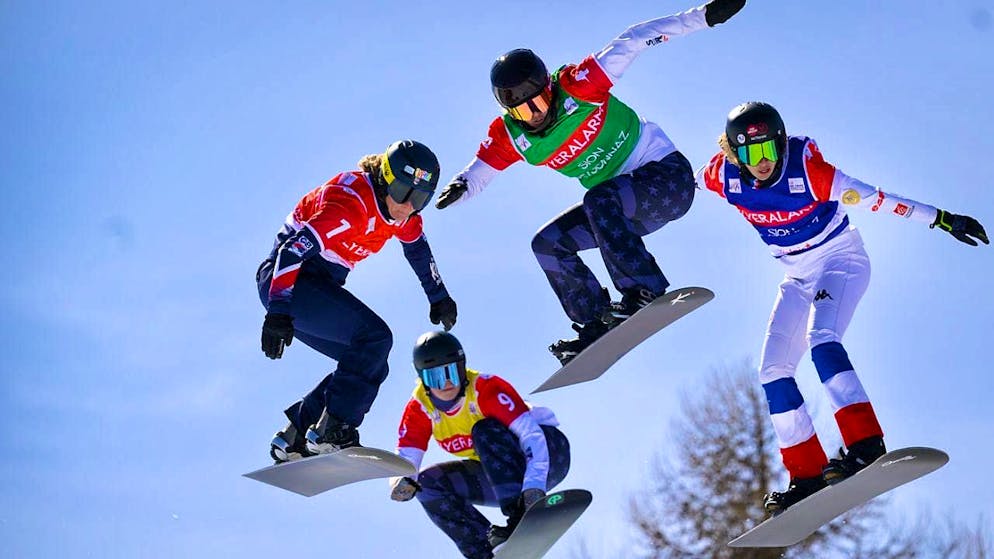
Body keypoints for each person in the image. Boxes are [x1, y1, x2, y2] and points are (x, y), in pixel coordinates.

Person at [699, 101, 988, 514]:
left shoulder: (810, 171)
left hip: (840, 261)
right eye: (751, 153)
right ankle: (806, 475)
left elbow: (879, 200)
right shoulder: (723, 176)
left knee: (821, 341)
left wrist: (942, 219)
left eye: (768, 150)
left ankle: (865, 444)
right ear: (734, 153)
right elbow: (680, 182)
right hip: (797, 277)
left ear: (781, 143)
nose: (762, 162)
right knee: (772, 371)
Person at [434, 0, 746, 365]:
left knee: (599, 198)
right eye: (523, 110)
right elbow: (479, 174)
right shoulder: (510, 137)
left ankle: (643, 289)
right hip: (621, 214)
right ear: (508, 112)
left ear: (549, 88)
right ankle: (596, 320)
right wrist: (456, 187)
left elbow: (635, 39)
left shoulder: (580, 84)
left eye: (539, 101)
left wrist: (703, 17)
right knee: (547, 244)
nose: (535, 115)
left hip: (667, 181)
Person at [256, 140, 459, 463]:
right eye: (404, 192)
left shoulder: (403, 215)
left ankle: (296, 433)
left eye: (420, 199)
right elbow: (290, 252)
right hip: (291, 282)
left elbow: (417, 249)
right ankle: (331, 431)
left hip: (314, 284)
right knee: (374, 338)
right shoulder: (349, 205)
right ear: (385, 178)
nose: (407, 206)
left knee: (368, 361)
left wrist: (439, 298)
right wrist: (278, 311)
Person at [389, 331, 571, 559]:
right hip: (499, 477)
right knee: (427, 484)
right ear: (423, 379)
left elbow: (532, 436)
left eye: (452, 373)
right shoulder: (420, 408)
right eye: (436, 377)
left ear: (462, 368)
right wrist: (401, 481)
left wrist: (533, 488)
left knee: (483, 431)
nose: (446, 384)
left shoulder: (485, 390)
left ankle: (519, 516)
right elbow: (406, 458)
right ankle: (486, 552)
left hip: (549, 455)